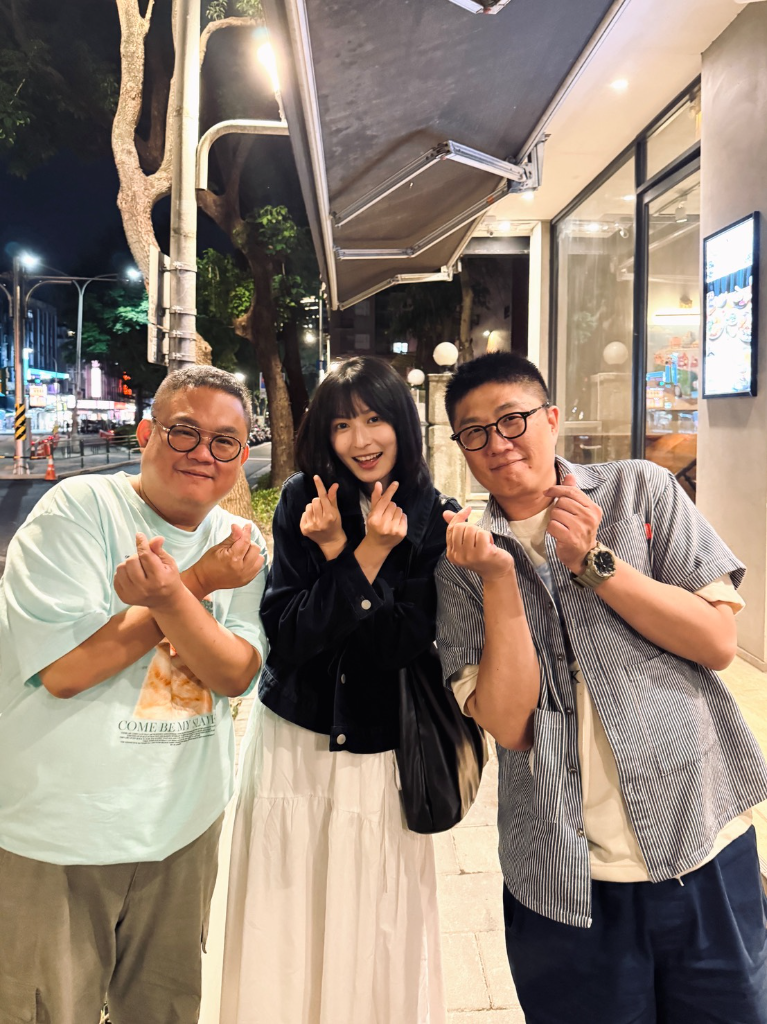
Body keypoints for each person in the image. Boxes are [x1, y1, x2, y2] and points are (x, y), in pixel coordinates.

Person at [435, 351, 767, 1023]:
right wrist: (498, 580)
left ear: (550, 418)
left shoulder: (640, 490)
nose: (497, 442)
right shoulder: (461, 562)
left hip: (701, 841)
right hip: (562, 879)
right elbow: (509, 725)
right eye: (475, 432)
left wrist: (594, 562)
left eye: (512, 419)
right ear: (461, 448)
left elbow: (715, 642)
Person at [0, 366, 268, 1024]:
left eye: (224, 442)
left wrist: (170, 597)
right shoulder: (79, 509)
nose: (203, 453)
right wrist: (193, 587)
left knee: (166, 1009)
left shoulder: (241, 543)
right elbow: (66, 670)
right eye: (184, 432)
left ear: (241, 456)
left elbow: (235, 673)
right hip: (58, 834)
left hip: (182, 831)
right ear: (146, 434)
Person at [221, 356, 450, 1024]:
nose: (360, 440)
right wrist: (365, 557)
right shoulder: (305, 500)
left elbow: (398, 646)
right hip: (293, 741)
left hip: (378, 754)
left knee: (370, 924)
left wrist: (342, 560)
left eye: (375, 419)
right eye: (343, 424)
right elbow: (289, 636)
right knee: (285, 917)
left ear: (402, 423)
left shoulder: (431, 514)